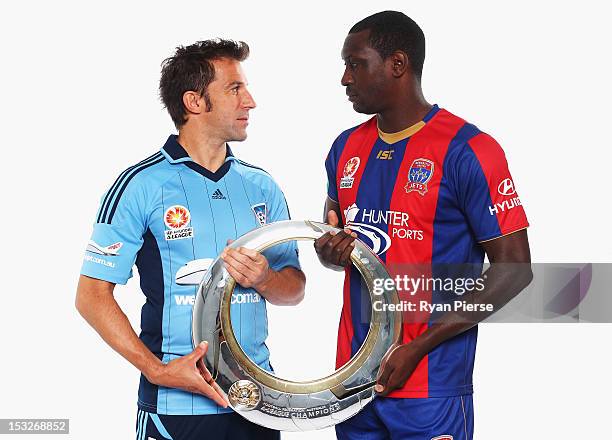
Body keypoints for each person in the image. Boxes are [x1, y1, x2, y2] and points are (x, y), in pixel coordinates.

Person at [314, 11, 533, 440]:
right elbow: (334, 237)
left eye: (355, 63)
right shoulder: (345, 147)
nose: (344, 78)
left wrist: (419, 347)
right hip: (352, 381)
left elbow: (515, 269)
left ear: (398, 64)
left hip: (429, 385)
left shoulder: (469, 149)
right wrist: (329, 251)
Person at [76, 39, 305, 440]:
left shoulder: (262, 186)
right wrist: (158, 371)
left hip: (256, 403)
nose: (249, 101)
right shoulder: (140, 185)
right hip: (175, 409)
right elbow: (91, 296)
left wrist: (265, 278)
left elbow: (294, 290)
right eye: (235, 89)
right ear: (195, 102)